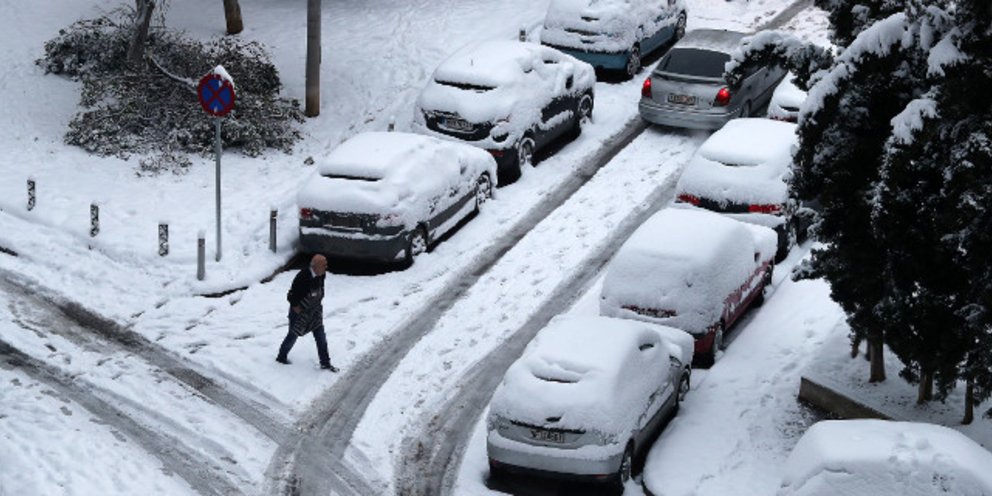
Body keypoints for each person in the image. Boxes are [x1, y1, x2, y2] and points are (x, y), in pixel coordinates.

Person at [276, 254, 338, 372]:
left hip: (314, 312)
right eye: (323, 265)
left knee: (321, 337)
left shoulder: (321, 275)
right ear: (315, 266)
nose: (326, 267)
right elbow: (291, 295)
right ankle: (281, 357)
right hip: (300, 313)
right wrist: (296, 307)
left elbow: (320, 290)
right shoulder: (302, 277)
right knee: (292, 336)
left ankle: (325, 362)